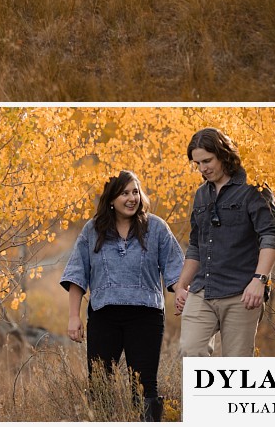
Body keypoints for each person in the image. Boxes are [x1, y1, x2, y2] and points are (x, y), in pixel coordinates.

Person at [61, 171, 184, 422]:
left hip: (146, 316)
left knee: (145, 387)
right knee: (99, 385)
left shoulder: (157, 227)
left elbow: (176, 270)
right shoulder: (93, 229)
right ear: (111, 199)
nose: (131, 198)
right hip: (104, 316)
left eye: (135, 192)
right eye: (124, 193)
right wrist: (73, 317)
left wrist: (181, 291)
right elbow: (76, 274)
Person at [173, 127, 275, 357]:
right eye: (198, 163)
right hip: (203, 289)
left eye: (207, 160)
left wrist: (259, 281)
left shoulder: (254, 188)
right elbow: (196, 244)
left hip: (241, 292)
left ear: (223, 153)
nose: (203, 168)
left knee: (236, 367)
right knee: (190, 350)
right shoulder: (201, 195)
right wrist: (182, 285)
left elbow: (270, 236)